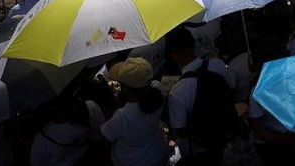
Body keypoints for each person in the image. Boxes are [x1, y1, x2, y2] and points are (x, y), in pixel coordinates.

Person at [165, 28, 237, 165]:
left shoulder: (177, 92)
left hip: (203, 152)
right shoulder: (218, 65)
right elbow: (232, 86)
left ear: (174, 55)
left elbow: (181, 131)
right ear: (193, 45)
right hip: (231, 138)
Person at [101, 58, 169, 166]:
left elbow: (105, 139)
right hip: (158, 153)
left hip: (132, 162)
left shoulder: (122, 116)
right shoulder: (158, 89)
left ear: (126, 90)